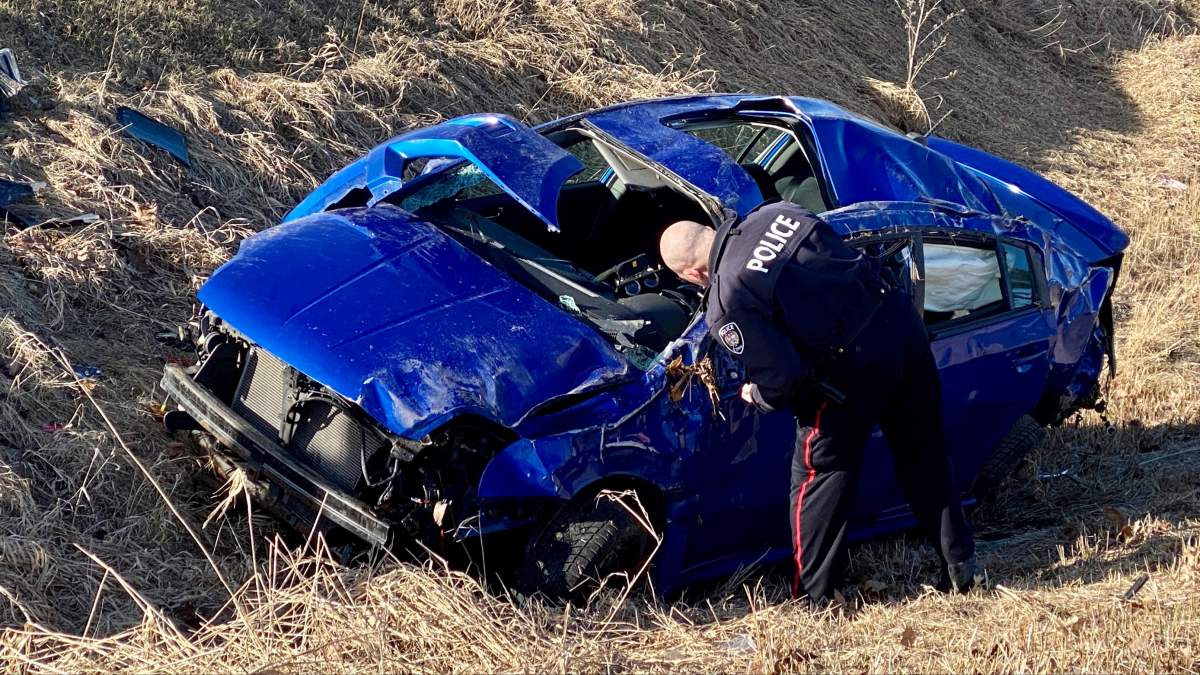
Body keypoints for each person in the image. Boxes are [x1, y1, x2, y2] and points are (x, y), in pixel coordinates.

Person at [659, 200, 981, 602]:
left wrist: (756, 394)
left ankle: (813, 596)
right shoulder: (778, 212)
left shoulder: (727, 299)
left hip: (850, 371)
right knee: (924, 453)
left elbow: (784, 378)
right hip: (899, 329)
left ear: (692, 273)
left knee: (818, 478)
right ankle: (962, 566)